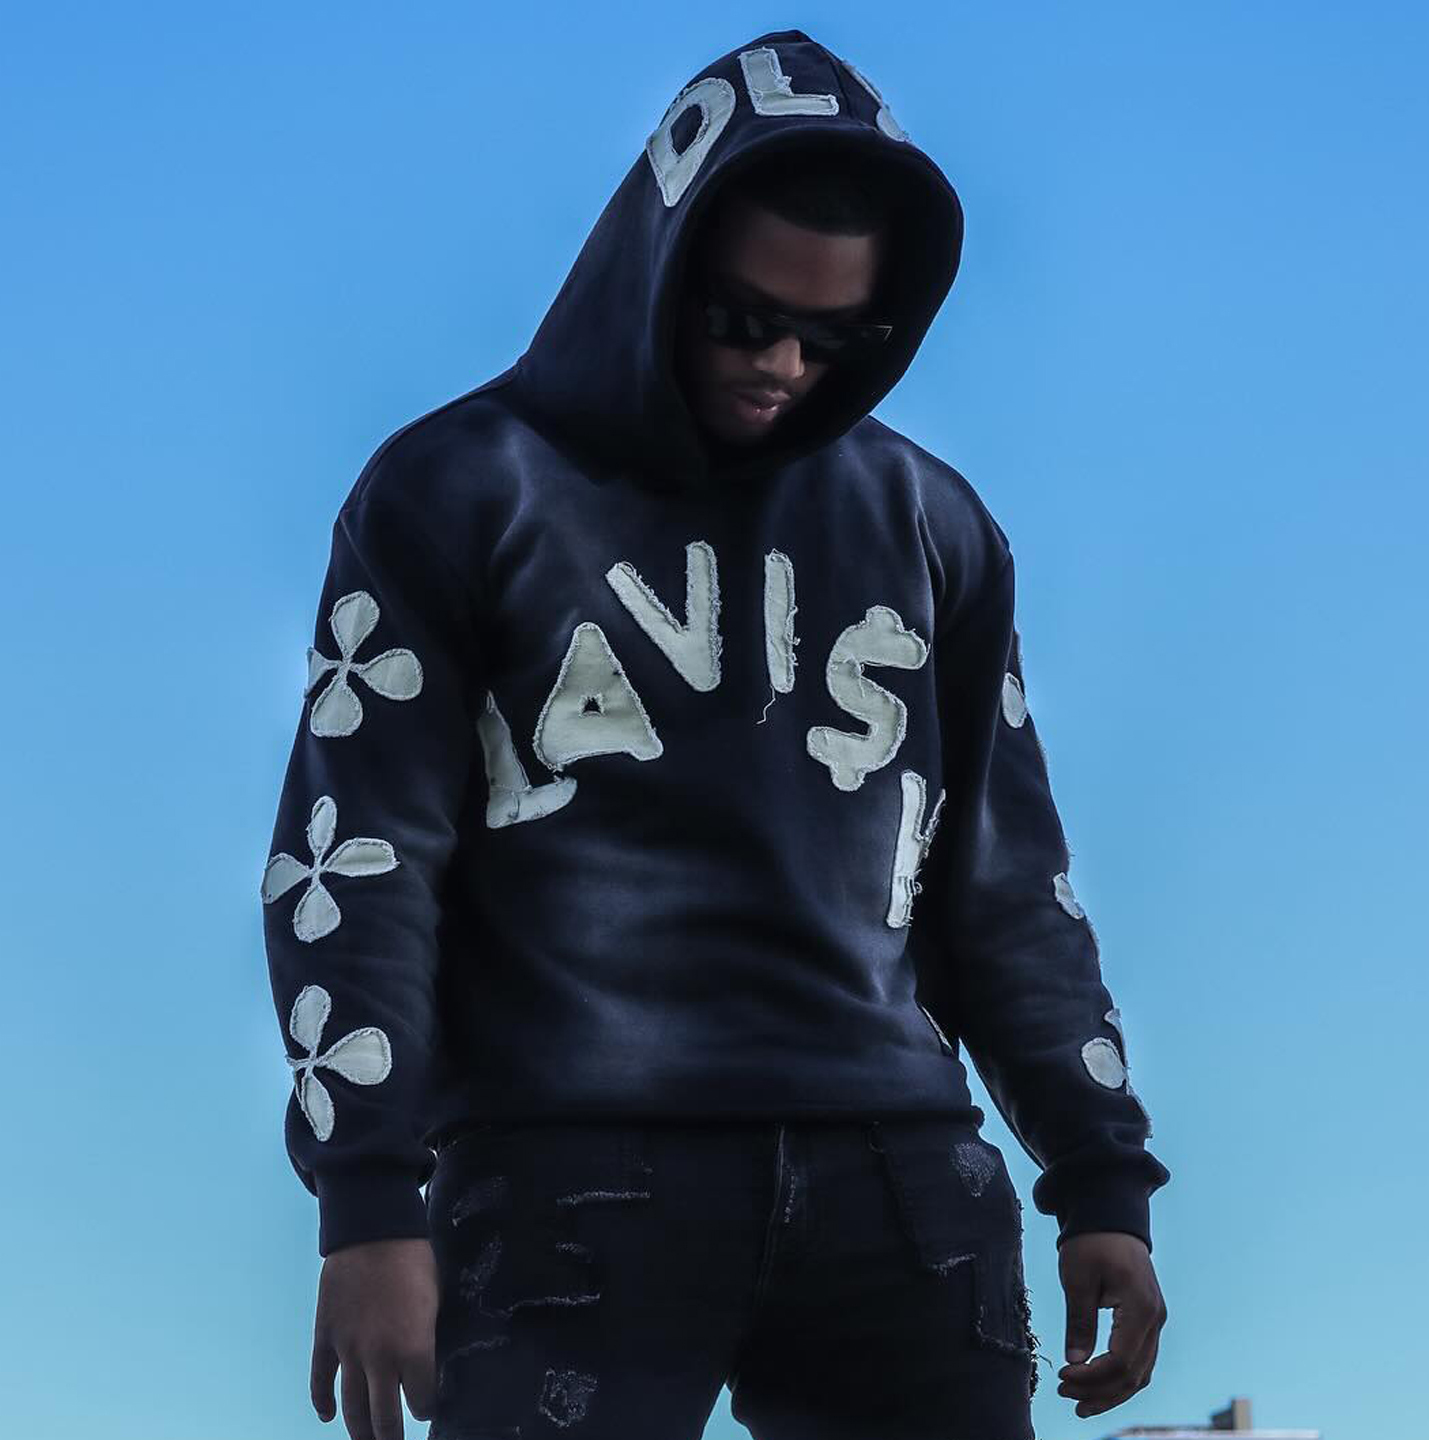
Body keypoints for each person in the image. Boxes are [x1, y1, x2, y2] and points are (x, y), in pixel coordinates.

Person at [260, 28, 1169, 1440]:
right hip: (570, 1173)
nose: (787, 365)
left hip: (898, 1184)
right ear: (657, 266)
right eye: (746, 320)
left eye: (839, 338)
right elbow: (357, 858)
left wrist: (1101, 1178)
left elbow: (1004, 887)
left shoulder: (934, 528)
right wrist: (366, 1203)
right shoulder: (458, 489)